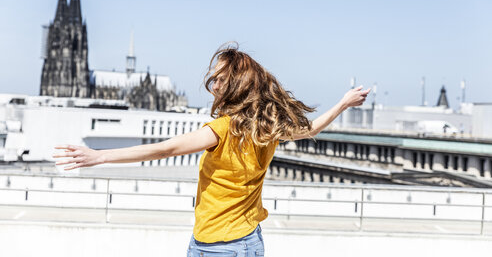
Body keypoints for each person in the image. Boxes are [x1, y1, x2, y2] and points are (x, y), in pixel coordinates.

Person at [52, 42, 370, 256]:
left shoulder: (221, 129)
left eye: (219, 78)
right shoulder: (265, 128)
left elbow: (166, 149)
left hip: (219, 247)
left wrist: (100, 156)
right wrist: (343, 102)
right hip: (236, 242)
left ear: (235, 84)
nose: (212, 83)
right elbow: (310, 129)